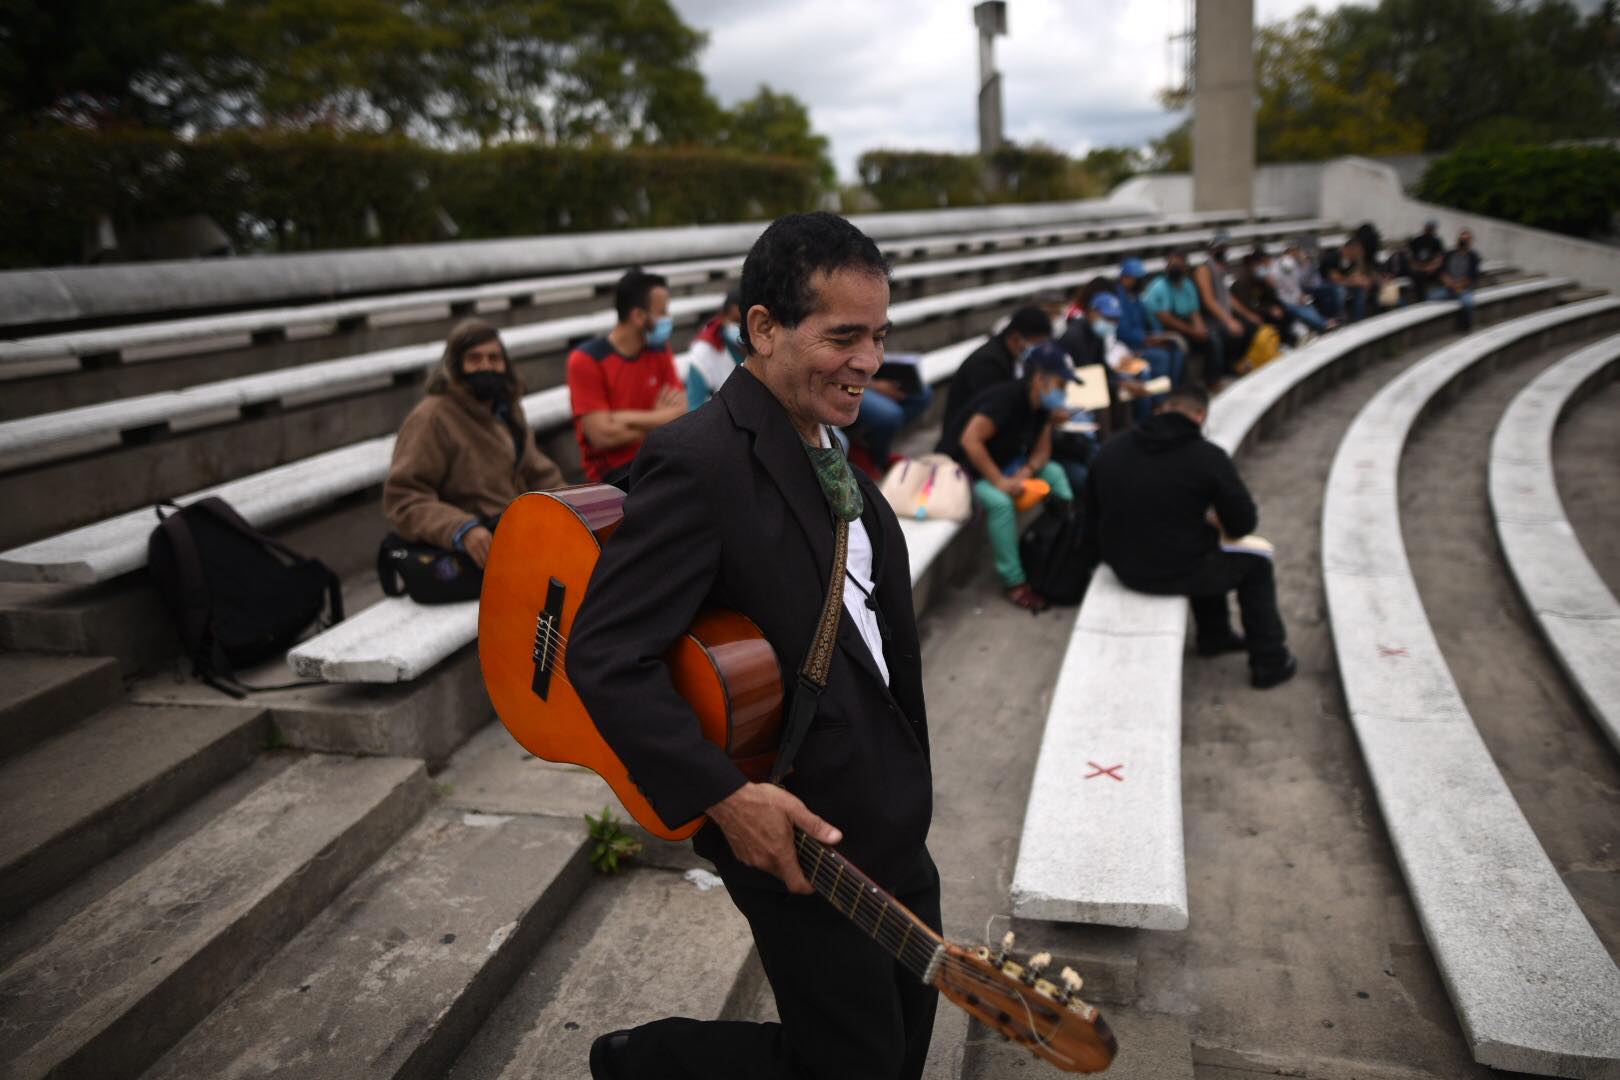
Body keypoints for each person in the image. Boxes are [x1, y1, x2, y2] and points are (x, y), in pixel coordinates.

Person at [567, 212, 939, 1080]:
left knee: (900, 1050)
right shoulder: (698, 461)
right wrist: (729, 799)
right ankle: (645, 1061)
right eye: (844, 336)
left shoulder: (830, 450)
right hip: (793, 837)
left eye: (879, 336)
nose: (869, 362)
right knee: (856, 1068)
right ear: (764, 328)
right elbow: (604, 655)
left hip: (891, 822)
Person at [1080, 383, 1297, 689]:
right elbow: (1242, 524)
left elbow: (1090, 512)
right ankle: (1270, 662)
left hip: (1123, 566)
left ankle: (1215, 634)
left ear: (1159, 410)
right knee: (1254, 566)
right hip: (1173, 570)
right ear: (1200, 415)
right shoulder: (1207, 456)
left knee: (1199, 540)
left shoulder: (1113, 448)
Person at [384, 319, 564, 566]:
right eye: (475, 359)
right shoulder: (432, 417)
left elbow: (538, 472)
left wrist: (571, 506)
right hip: (475, 550)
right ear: (456, 367)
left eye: (494, 358)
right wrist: (462, 529)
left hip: (519, 534)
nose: (486, 366)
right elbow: (404, 498)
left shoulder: (507, 409)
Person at [938, 341, 1078, 613]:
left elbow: (1041, 453)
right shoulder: (1007, 398)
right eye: (1060, 385)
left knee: (1055, 472)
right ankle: (1015, 582)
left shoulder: (1040, 406)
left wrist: (1026, 471)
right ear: (1040, 378)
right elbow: (970, 441)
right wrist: (1001, 481)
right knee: (1000, 503)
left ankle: (1066, 543)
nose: (1063, 393)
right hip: (963, 470)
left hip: (1005, 466)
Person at [567, 268, 687, 486]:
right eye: (662, 312)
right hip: (613, 477)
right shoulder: (586, 359)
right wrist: (657, 420)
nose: (667, 319)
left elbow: (680, 412)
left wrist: (621, 417)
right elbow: (602, 436)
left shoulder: (659, 349)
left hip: (658, 458)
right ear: (638, 316)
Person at [941, 305, 1053, 428]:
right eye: (1037, 344)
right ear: (1016, 339)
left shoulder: (1021, 359)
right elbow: (992, 412)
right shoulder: (987, 365)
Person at [1142, 248, 1220, 385]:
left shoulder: (1188, 285)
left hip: (1185, 325)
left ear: (1185, 267)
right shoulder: (1159, 286)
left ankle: (1212, 381)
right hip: (1163, 329)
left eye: (1179, 265)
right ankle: (1182, 387)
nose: (1176, 268)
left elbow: (1194, 311)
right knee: (1181, 346)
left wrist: (1200, 329)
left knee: (1212, 338)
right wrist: (1192, 331)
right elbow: (1165, 318)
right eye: (1173, 265)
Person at [1192, 232, 1259, 382]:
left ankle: (1232, 364)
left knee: (1250, 326)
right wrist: (1228, 321)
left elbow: (1228, 297)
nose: (1224, 250)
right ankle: (1213, 378)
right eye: (1221, 247)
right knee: (1218, 336)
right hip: (1208, 317)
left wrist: (1248, 314)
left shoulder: (1221, 268)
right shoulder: (1203, 269)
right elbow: (1209, 300)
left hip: (1222, 314)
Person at [1114, 257, 1188, 387]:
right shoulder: (1118, 299)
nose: (1140, 282)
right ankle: (1159, 399)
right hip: (1129, 346)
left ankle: (1173, 389)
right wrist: (1147, 339)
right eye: (1137, 278)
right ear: (1126, 278)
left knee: (1176, 349)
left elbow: (1146, 321)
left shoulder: (1135, 297)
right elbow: (1123, 332)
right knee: (1161, 357)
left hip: (1144, 339)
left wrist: (1159, 336)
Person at [687, 290, 745, 409]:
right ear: (722, 318)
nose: (739, 328)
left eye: (743, 322)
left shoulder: (768, 347)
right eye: (735, 322)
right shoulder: (702, 354)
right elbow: (694, 409)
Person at [1271, 241, 1330, 336]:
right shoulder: (1276, 266)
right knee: (1302, 310)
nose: (1294, 254)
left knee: (1309, 304)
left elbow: (1302, 284)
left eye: (1295, 252)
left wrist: (1305, 262)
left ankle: (1322, 324)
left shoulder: (1296, 265)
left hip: (1298, 297)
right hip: (1285, 300)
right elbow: (1275, 286)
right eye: (1291, 252)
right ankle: (1323, 325)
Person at [1430, 228, 1481, 331]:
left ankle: (1467, 328)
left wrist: (1459, 286)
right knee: (1431, 297)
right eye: (1461, 239)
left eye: (1466, 240)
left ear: (1470, 242)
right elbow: (1442, 271)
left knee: (1468, 303)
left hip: (1464, 289)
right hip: (1449, 288)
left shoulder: (1473, 257)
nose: (1463, 242)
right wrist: (1449, 283)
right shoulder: (1450, 254)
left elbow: (1472, 276)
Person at [1316, 238, 1372, 324]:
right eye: (1356, 251)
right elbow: (1334, 278)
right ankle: (1339, 317)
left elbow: (1356, 275)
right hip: (1323, 283)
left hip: (1341, 283)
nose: (1357, 254)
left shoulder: (1351, 260)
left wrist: (1361, 279)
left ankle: (1359, 317)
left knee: (1360, 289)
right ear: (1349, 249)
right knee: (1341, 290)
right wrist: (1352, 281)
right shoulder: (1333, 257)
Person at [1405, 220, 1445, 301]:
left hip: (1430, 269)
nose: (1430, 229)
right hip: (1418, 268)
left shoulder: (1437, 242)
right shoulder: (1417, 240)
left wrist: (1431, 267)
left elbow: (1439, 258)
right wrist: (1417, 266)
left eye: (1432, 227)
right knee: (1417, 275)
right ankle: (1419, 299)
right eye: (1428, 226)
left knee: (1439, 274)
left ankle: (1426, 299)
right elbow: (1410, 256)